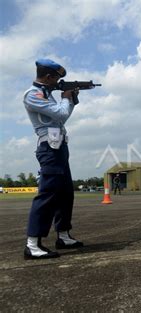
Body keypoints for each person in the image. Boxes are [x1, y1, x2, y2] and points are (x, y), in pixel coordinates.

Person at [23, 59, 83, 260]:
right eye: (57, 77)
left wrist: (71, 98)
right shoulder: (32, 95)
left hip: (59, 147)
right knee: (47, 194)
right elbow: (61, 114)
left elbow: (61, 116)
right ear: (48, 77)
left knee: (66, 194)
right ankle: (32, 244)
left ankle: (63, 235)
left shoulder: (46, 94)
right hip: (49, 149)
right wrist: (67, 98)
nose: (58, 81)